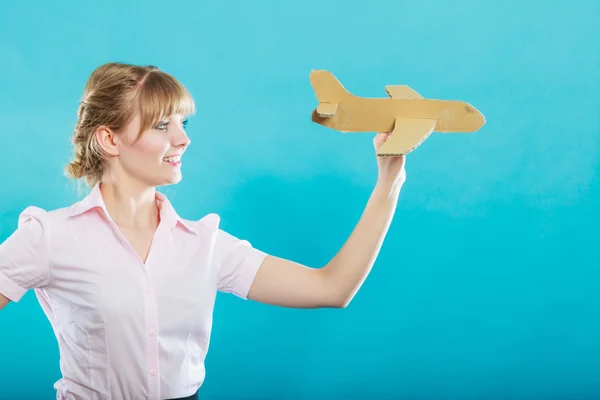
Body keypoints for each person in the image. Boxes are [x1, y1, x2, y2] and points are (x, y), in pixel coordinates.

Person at [0, 62, 407, 400]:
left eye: (183, 122)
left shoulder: (205, 244)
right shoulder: (49, 236)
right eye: (162, 125)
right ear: (109, 139)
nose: (183, 138)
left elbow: (331, 288)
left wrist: (389, 181)